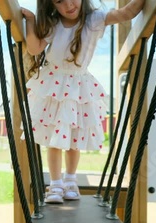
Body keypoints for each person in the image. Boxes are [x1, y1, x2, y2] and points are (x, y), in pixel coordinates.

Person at [21, 0, 145, 203]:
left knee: (73, 139)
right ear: (52, 5)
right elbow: (34, 49)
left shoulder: (94, 20)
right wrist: (31, 20)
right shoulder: (54, 24)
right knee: (54, 139)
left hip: (78, 86)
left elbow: (126, 13)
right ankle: (55, 184)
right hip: (54, 84)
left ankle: (70, 180)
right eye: (60, 1)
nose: (69, 5)